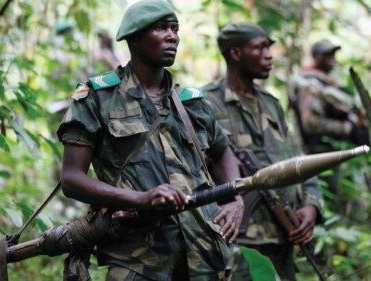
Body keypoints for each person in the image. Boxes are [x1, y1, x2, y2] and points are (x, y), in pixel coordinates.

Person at [57, 1, 244, 280]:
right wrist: (139, 199)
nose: (172, 36)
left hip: (204, 253)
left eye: (175, 28)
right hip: (138, 258)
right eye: (160, 28)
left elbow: (223, 151)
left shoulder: (191, 103)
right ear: (134, 38)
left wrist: (235, 199)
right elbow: (71, 178)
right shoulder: (97, 97)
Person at [201, 22, 323, 281]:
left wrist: (311, 207)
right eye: (260, 48)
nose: (269, 55)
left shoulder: (271, 104)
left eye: (269, 47)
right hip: (236, 244)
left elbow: (299, 160)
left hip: (283, 235)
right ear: (236, 53)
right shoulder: (205, 103)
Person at [290, 39, 370, 200]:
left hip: (333, 154)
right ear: (316, 57)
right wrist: (347, 128)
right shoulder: (310, 84)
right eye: (326, 54)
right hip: (319, 156)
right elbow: (311, 123)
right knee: (326, 200)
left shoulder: (326, 82)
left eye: (333, 53)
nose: (332, 57)